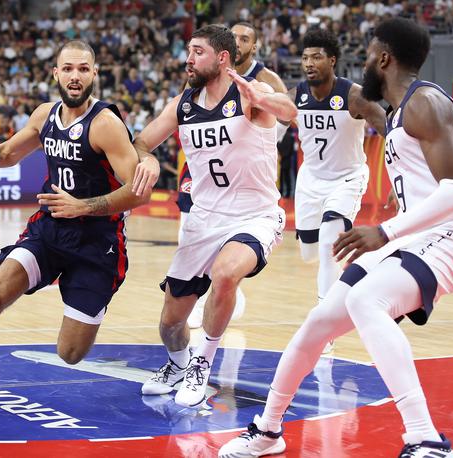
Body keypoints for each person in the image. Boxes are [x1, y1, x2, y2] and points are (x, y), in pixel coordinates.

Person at [219, 18, 453, 458]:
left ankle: (425, 440)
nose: (361, 61)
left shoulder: (426, 104)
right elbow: (300, 110)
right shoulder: (399, 111)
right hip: (417, 235)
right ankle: (267, 431)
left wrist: (384, 231)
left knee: (367, 302)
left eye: (367, 53)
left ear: (383, 58)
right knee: (319, 322)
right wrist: (265, 102)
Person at [0, 40, 160, 418]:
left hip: (97, 243)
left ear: (95, 74)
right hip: (49, 231)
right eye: (67, 68)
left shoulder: (106, 125)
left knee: (70, 354)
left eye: (83, 69)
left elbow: (137, 193)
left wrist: (82, 206)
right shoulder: (44, 116)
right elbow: (5, 153)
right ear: (55, 73)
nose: (75, 76)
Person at [131, 24, 298, 408]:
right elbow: (141, 142)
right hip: (204, 219)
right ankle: (178, 364)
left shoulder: (249, 95)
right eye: (189, 51)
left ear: (222, 58)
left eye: (198, 52)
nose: (189, 58)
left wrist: (266, 98)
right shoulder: (183, 105)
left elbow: (289, 111)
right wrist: (149, 158)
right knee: (170, 324)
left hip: (254, 215)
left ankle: (201, 366)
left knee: (226, 274)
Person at [185, 21, 289, 329]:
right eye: (234, 37)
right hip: (209, 163)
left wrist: (253, 134)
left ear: (254, 47)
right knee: (190, 225)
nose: (239, 42)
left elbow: (286, 114)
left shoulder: (264, 79)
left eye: (245, 39)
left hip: (250, 165)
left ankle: (229, 290)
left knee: (234, 249)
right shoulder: (205, 78)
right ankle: (212, 292)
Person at [291, 28, 386, 352]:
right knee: (309, 253)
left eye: (316, 57)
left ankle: (325, 324)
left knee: (330, 246)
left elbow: (385, 122)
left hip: (347, 178)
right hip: (310, 181)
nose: (309, 63)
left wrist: (403, 166)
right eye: (305, 57)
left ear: (332, 60)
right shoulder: (297, 95)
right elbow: (270, 128)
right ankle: (347, 274)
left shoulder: (353, 95)